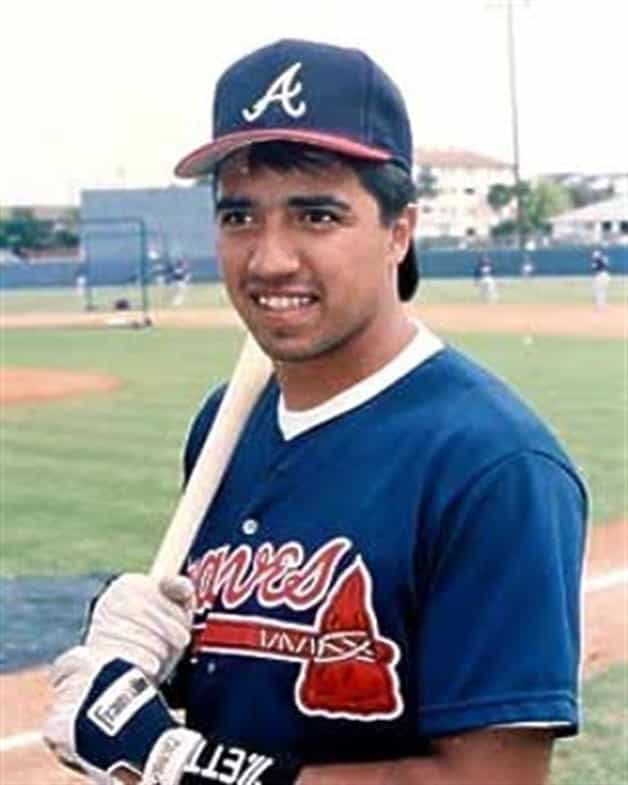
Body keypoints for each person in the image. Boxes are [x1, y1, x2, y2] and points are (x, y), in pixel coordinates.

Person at [44, 39, 587, 785]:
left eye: (317, 215)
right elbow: (250, 694)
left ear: (400, 229)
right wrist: (144, 672)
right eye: (240, 216)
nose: (269, 258)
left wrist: (176, 763)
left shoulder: (492, 465)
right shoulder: (223, 427)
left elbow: (489, 780)